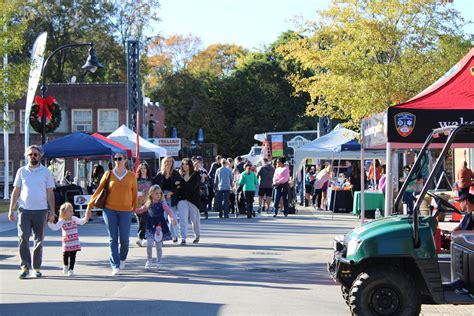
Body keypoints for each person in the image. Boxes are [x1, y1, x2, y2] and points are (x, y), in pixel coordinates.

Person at [85, 152, 138, 276]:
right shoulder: (108, 174)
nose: (117, 161)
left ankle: (122, 258)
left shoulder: (131, 176)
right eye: (115, 159)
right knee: (113, 239)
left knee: (124, 239)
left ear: (125, 160)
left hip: (126, 211)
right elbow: (98, 191)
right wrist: (89, 206)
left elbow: (134, 193)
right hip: (110, 210)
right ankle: (115, 264)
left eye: (120, 158)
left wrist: (134, 209)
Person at [8, 145, 56, 279]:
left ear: (40, 156)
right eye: (30, 154)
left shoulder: (45, 172)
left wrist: (52, 211)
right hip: (24, 211)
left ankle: (36, 267)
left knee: (39, 241)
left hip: (41, 211)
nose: (33, 157)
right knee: (23, 239)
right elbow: (16, 191)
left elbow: (50, 192)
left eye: (35, 154)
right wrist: (11, 209)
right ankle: (24, 267)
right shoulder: (21, 171)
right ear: (27, 156)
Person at [135, 185, 177, 270]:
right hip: (150, 226)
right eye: (156, 193)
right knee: (149, 244)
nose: (158, 195)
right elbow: (141, 210)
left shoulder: (162, 203)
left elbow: (169, 210)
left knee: (158, 246)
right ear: (151, 194)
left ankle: (159, 261)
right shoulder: (149, 203)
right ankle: (149, 260)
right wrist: (132, 209)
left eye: (160, 193)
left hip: (159, 226)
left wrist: (172, 217)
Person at [47, 202, 87, 276]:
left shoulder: (74, 219)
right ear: (64, 213)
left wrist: (86, 217)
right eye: (70, 211)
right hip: (67, 242)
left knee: (73, 255)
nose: (72, 212)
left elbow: (81, 222)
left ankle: (71, 269)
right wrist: (50, 222)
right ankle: (65, 265)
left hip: (74, 241)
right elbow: (55, 227)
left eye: (72, 210)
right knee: (65, 254)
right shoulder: (62, 221)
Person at [153, 156, 181, 243]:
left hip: (172, 198)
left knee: (173, 218)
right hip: (161, 198)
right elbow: (155, 187)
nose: (168, 163)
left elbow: (179, 186)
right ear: (163, 163)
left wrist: (171, 192)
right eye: (166, 161)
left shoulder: (176, 173)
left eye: (170, 161)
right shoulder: (160, 174)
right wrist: (161, 195)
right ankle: (160, 237)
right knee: (161, 218)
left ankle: (174, 235)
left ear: (172, 163)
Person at [177, 158, 201, 245]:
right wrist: (180, 185)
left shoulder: (196, 174)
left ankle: (197, 235)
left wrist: (181, 185)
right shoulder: (179, 176)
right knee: (183, 219)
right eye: (183, 164)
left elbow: (192, 188)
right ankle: (183, 238)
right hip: (182, 200)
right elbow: (177, 188)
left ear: (190, 165)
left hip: (194, 200)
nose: (184, 166)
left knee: (194, 220)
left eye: (186, 164)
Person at [135, 162, 153, 247]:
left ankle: (141, 238)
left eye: (144, 168)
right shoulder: (136, 179)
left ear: (147, 169)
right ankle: (143, 237)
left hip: (148, 202)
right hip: (138, 203)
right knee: (140, 221)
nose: (143, 170)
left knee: (144, 220)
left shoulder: (151, 179)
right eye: (141, 168)